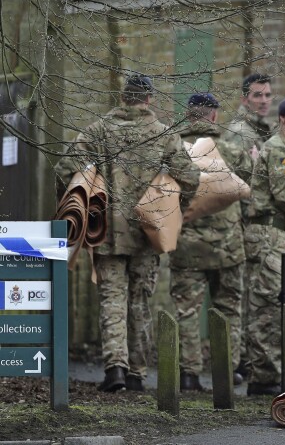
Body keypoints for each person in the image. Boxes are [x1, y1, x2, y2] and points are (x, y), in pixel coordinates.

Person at [54, 74, 200, 392]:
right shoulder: (161, 134)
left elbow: (66, 168)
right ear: (148, 99)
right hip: (147, 231)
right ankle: (137, 372)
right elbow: (190, 177)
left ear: (124, 97)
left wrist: (89, 195)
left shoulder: (98, 130)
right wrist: (171, 209)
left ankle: (114, 368)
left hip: (105, 229)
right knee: (140, 300)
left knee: (112, 299)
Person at [169, 93, 247, 391]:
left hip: (187, 243)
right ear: (214, 116)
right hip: (228, 247)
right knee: (228, 308)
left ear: (190, 116)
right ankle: (225, 373)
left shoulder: (174, 150)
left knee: (187, 310)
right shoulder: (232, 149)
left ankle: (188, 374)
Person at [243, 94, 285, 395]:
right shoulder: (279, 150)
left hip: (275, 234)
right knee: (268, 304)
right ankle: (264, 377)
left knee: (271, 302)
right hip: (269, 235)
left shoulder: (280, 148)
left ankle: (266, 373)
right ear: (283, 119)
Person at [219, 72, 274, 382]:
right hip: (243, 223)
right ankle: (243, 363)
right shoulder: (240, 133)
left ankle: (244, 361)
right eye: (257, 95)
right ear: (244, 99)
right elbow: (235, 182)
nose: (264, 101)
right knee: (248, 296)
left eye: (267, 95)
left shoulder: (258, 132)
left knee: (252, 295)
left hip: (250, 224)